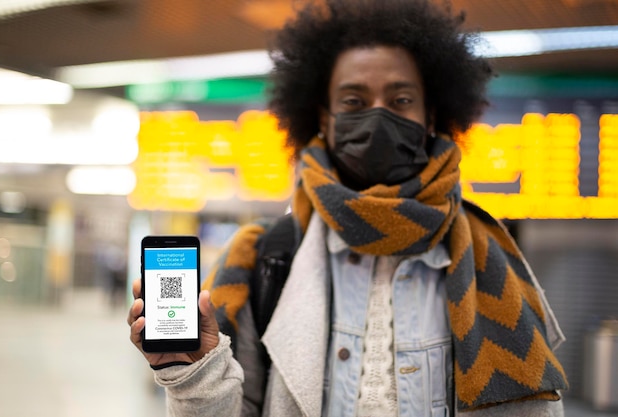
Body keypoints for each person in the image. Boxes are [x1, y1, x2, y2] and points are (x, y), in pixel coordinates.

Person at [128, 0, 568, 415]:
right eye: (354, 102)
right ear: (323, 118)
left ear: (431, 115)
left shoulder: (491, 262)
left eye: (400, 101)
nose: (377, 117)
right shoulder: (263, 257)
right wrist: (194, 376)